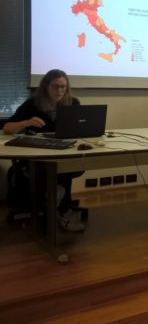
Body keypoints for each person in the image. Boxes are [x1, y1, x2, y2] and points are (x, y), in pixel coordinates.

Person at [3, 69, 86, 232]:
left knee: (64, 166)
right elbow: (7, 128)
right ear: (46, 86)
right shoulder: (32, 104)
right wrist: (26, 122)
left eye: (63, 87)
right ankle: (62, 209)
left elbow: (80, 128)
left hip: (64, 153)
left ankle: (54, 202)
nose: (59, 90)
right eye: (55, 86)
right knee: (56, 169)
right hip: (37, 157)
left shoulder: (73, 103)